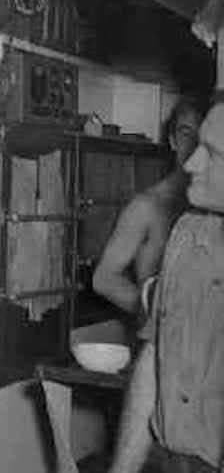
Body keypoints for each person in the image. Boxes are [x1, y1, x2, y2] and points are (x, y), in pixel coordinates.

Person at [108, 100, 224, 473]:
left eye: (213, 154)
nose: (192, 163)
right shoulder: (188, 234)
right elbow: (153, 362)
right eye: (191, 140)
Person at [92, 98, 205, 315]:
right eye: (185, 132)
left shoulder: (213, 206)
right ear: (172, 140)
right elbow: (103, 279)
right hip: (159, 341)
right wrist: (155, 312)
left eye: (201, 136)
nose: (194, 145)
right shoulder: (147, 206)